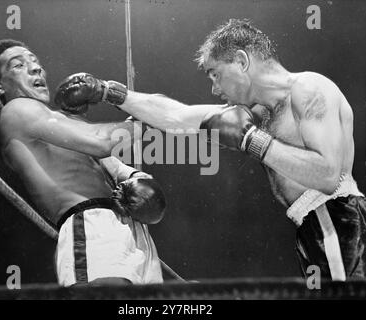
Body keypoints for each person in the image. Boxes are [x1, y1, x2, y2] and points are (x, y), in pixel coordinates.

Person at [55, 19, 366, 280]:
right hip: (313, 227)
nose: (215, 89)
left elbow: (327, 175)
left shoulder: (309, 88)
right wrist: (108, 91)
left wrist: (252, 141)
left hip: (337, 219)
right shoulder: (257, 112)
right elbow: (176, 115)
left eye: (216, 74)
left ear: (242, 61)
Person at [0, 39, 165, 286]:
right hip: (91, 225)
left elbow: (116, 168)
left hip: (132, 231)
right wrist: (149, 116)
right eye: (18, 65)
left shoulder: (62, 121)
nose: (36, 69)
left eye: (35, 62)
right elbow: (102, 142)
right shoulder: (16, 112)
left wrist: (137, 182)